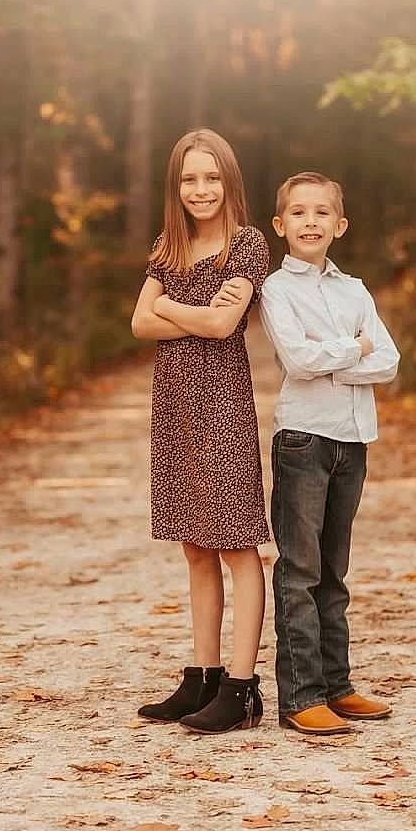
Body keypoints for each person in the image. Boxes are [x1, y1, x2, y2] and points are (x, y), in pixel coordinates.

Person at [131, 129, 270, 734]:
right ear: (176, 186)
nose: (200, 188)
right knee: (195, 544)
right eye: (189, 179)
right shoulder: (169, 246)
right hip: (175, 408)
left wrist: (174, 311)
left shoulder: (246, 245)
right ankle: (203, 676)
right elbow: (137, 323)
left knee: (237, 542)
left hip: (222, 406)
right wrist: (194, 315)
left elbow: (222, 327)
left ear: (229, 182)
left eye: (211, 177)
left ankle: (242, 688)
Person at [259, 171, 400, 734]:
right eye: (298, 212)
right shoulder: (277, 289)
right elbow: (297, 361)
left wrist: (336, 354)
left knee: (334, 571)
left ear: (339, 225)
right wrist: (355, 349)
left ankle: (337, 686)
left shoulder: (355, 290)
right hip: (303, 439)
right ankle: (301, 696)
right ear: (280, 224)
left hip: (352, 439)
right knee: (301, 569)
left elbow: (387, 361)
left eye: (321, 213)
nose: (310, 221)